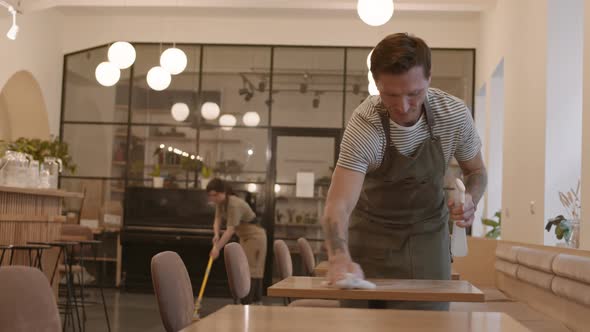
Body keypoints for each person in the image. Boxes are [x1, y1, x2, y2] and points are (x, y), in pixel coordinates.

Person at [321, 33, 487, 310]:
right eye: (391, 95)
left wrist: (470, 198)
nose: (404, 106)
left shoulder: (453, 116)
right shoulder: (365, 125)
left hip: (428, 239)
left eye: (414, 93)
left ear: (429, 77)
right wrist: (338, 256)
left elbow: (477, 171)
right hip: (368, 240)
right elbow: (339, 203)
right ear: (376, 84)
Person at [207, 178, 267, 304]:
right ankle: (245, 301)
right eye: (210, 196)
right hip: (244, 237)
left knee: (252, 270)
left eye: (215, 195)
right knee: (243, 268)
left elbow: (230, 231)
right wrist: (216, 234)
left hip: (255, 236)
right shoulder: (220, 203)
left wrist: (217, 248)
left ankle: (251, 302)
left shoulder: (234, 204)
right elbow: (217, 219)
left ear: (223, 192)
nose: (213, 198)